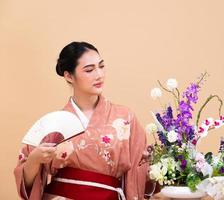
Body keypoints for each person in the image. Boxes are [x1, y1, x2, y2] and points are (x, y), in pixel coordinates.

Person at [13, 41, 155, 200]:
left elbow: (139, 170)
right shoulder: (53, 124)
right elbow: (27, 182)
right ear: (68, 76)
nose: (99, 75)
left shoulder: (125, 118)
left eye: (101, 66)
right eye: (89, 70)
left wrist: (165, 168)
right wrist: (34, 160)